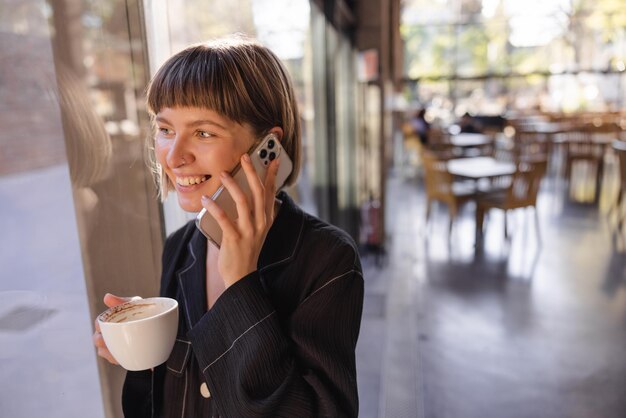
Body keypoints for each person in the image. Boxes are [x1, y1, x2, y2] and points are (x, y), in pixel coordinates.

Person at [92, 36, 364, 417]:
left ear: (267, 146)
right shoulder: (181, 247)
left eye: (203, 133)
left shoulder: (327, 259)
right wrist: (144, 352)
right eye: (166, 129)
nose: (174, 156)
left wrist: (241, 284)